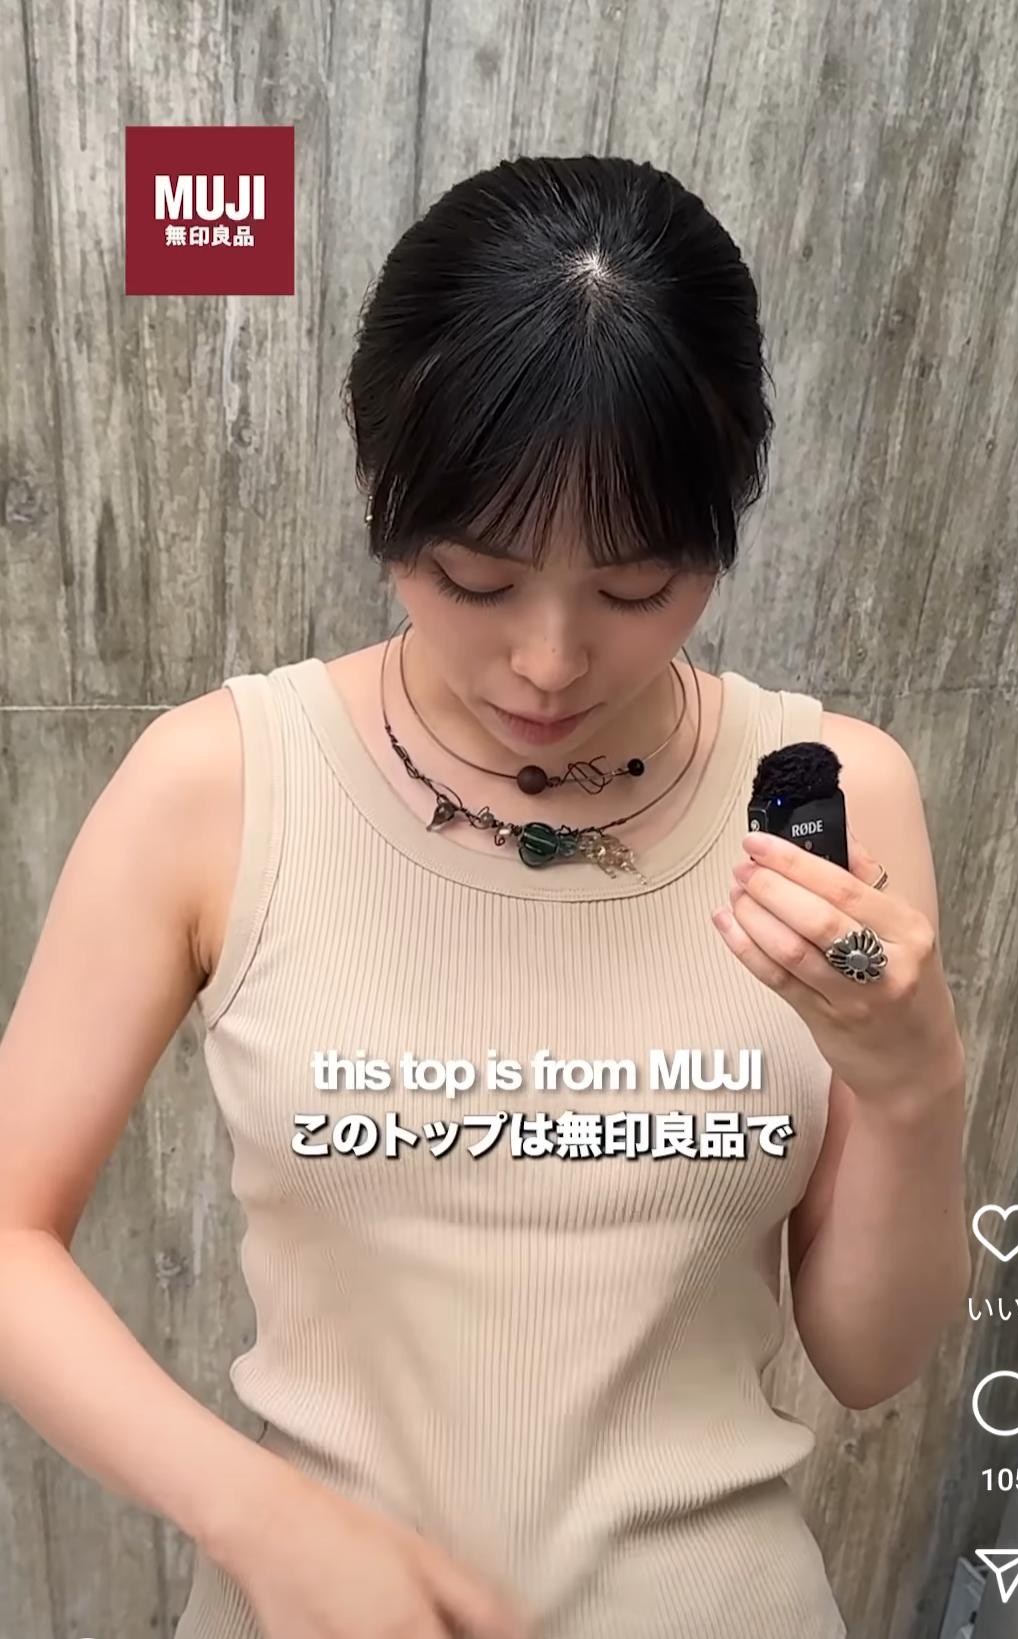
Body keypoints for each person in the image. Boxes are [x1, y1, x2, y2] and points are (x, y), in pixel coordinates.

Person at [0, 154, 969, 1639]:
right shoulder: (219, 785)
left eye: (637, 589)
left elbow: (870, 1361)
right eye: (476, 576)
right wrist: (253, 1514)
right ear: (381, 479)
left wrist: (913, 1088)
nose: (550, 661)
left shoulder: (837, 791)